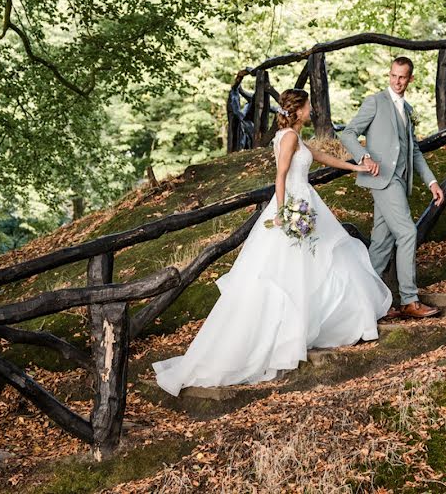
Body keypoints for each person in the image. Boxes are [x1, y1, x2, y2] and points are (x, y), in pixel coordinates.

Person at [153, 89, 391, 394]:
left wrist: (356, 166)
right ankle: (283, 337)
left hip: (304, 204)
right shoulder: (289, 137)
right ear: (299, 110)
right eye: (308, 107)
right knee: (290, 272)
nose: (311, 111)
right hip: (294, 206)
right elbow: (280, 177)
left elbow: (322, 157)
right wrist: (283, 213)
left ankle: (314, 324)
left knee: (322, 263)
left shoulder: (292, 135)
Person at [339, 56, 445, 319]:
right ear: (390, 75)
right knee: (408, 232)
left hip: (399, 179)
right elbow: (348, 133)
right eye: (393, 76)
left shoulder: (407, 109)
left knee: (381, 245)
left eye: (402, 77)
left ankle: (364, 301)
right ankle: (409, 299)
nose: (397, 81)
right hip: (383, 179)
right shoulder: (375, 102)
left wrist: (431, 181)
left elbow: (414, 151)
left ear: (410, 79)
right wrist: (364, 157)